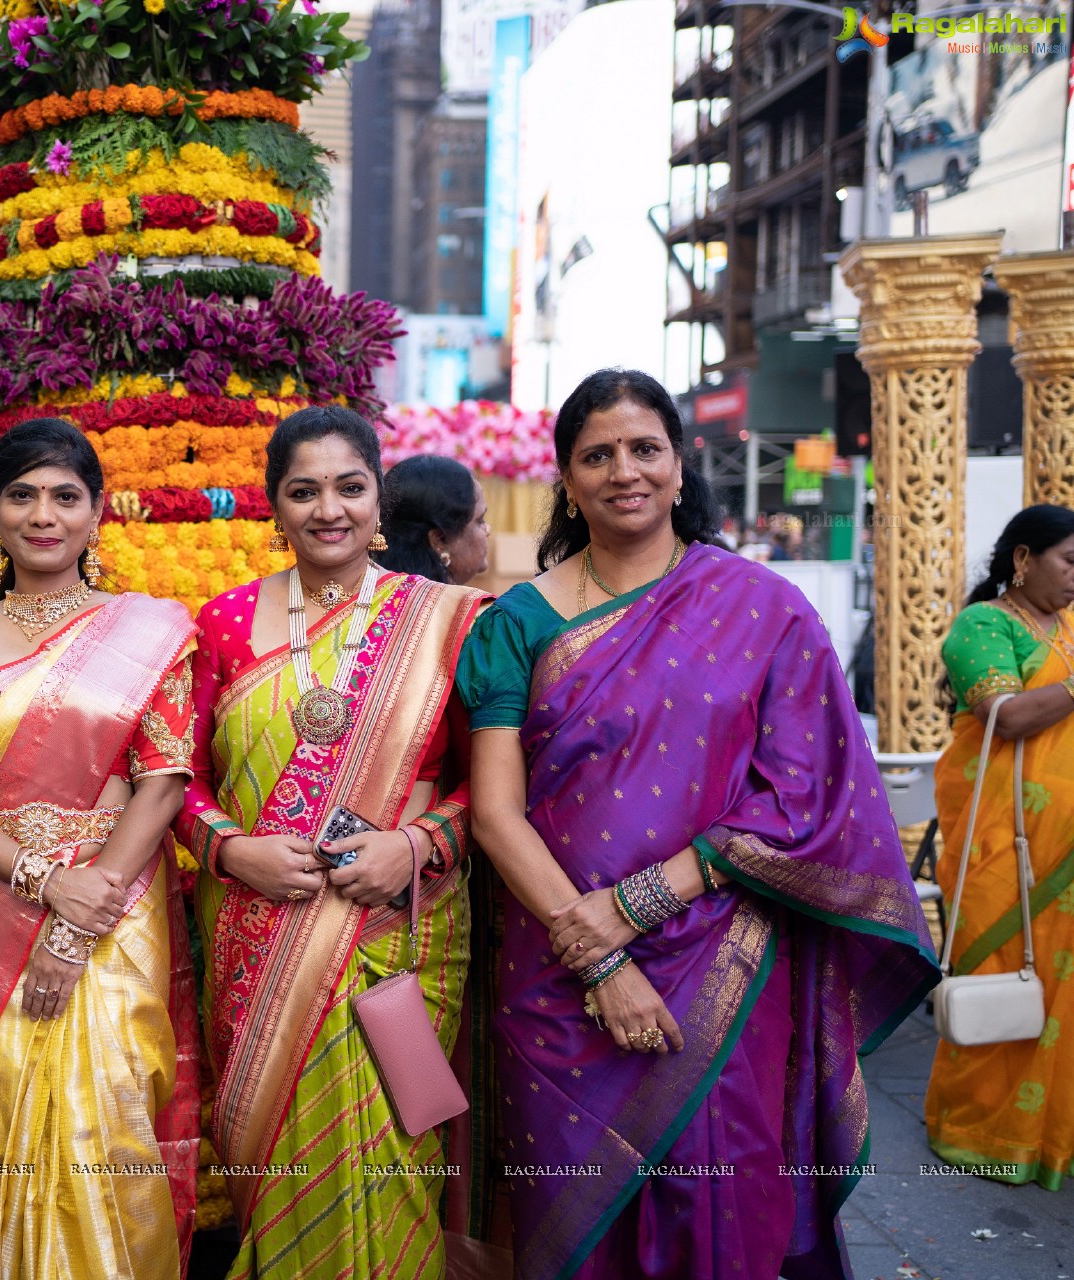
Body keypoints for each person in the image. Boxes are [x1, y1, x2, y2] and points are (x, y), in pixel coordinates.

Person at [456, 368, 937, 1278]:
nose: (623, 471)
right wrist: (595, 952)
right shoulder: (514, 624)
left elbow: (806, 794)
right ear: (566, 478)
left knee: (724, 1200)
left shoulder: (766, 611)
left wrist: (633, 906)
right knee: (571, 1212)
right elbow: (493, 810)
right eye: (597, 455)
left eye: (645, 449)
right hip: (556, 970)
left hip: (723, 960)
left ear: (681, 467)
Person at [175, 406, 487, 1278]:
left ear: (378, 496)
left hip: (398, 936)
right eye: (303, 491)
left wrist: (418, 845)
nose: (329, 509)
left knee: (393, 1151)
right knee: (279, 1164)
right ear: (274, 506)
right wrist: (233, 850)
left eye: (350, 487)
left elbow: (491, 786)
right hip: (258, 935)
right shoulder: (225, 624)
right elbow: (178, 785)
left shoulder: (448, 619)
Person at [0, 419, 202, 1279]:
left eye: (65, 496)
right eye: (22, 496)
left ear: (96, 512)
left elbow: (165, 779)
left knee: (105, 1113)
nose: (44, 514)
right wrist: (42, 880)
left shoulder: (145, 633)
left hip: (114, 906)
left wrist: (85, 908)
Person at [926, 504, 1074, 1189]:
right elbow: (1007, 717)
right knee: (1000, 969)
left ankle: (1052, 1133)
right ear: (1022, 558)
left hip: (1066, 844)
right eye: (1069, 562)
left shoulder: (1071, 627)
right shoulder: (982, 624)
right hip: (1002, 841)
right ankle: (978, 1127)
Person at [376, 454, 491, 584]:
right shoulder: (449, 603)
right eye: (480, 520)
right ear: (440, 540)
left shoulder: (376, 594)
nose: (488, 530)